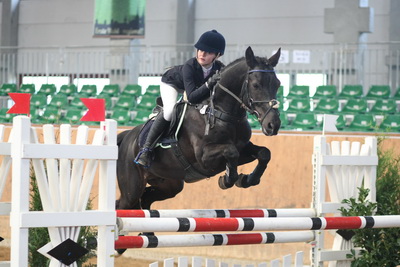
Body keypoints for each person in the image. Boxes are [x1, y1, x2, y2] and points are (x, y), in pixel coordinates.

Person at [135, 29, 226, 167]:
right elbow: (192, 97)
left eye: (208, 52)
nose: (202, 53)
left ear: (217, 55)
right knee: (170, 111)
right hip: (172, 83)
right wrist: (209, 84)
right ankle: (146, 150)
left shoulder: (219, 69)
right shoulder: (190, 66)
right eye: (200, 50)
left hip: (193, 88)